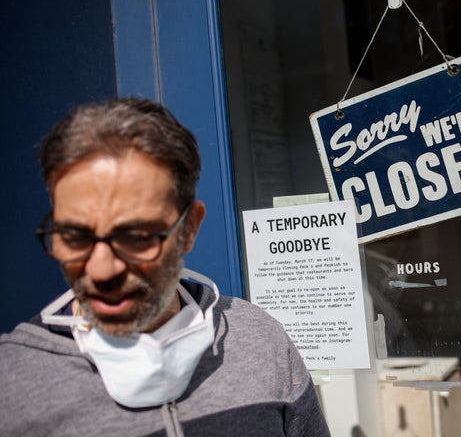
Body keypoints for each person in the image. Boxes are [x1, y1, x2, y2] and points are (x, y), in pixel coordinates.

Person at [0, 98, 330, 436]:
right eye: (74, 236)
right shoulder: (11, 385)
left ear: (189, 229)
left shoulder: (261, 343)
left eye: (136, 236)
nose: (101, 271)